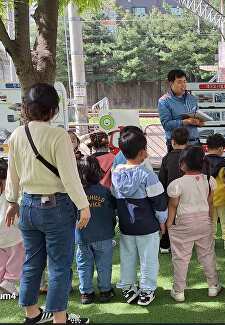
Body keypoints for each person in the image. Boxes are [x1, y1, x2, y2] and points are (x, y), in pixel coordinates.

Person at [4, 83, 91, 324]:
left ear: (26, 108)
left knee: (32, 261)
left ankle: (32, 314)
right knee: (59, 265)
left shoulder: (17, 134)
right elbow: (69, 176)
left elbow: (13, 174)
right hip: (56, 207)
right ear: (53, 110)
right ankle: (59, 319)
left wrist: (12, 201)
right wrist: (83, 205)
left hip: (28, 206)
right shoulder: (58, 135)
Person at [112, 131, 168, 306]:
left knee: (127, 257)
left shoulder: (116, 173)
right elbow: (159, 202)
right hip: (148, 226)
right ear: (143, 152)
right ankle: (147, 289)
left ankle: (128, 287)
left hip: (126, 225)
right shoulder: (147, 175)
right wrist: (162, 220)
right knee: (148, 258)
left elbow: (114, 197)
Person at [167, 146, 222, 302]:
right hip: (204, 221)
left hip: (183, 224)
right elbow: (211, 204)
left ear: (183, 164)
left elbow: (173, 206)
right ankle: (213, 285)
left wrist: (169, 224)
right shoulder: (209, 180)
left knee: (181, 258)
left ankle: (179, 291)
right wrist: (211, 223)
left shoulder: (177, 184)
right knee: (207, 255)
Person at [75, 156, 117, 304]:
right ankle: (105, 291)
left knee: (84, 264)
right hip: (104, 234)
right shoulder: (106, 191)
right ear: (97, 171)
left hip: (82, 236)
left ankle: (86, 293)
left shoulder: (75, 194)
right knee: (104, 264)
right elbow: (113, 209)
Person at [158, 127, 188, 254]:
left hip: (170, 195)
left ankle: (165, 244)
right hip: (188, 194)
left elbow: (161, 180)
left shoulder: (167, 158)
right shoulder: (190, 156)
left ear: (172, 141)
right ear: (187, 142)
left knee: (169, 220)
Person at [158, 69, 204, 152]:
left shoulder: (192, 98)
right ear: (171, 83)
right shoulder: (164, 101)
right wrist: (185, 122)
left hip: (194, 143)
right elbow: (166, 125)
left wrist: (199, 123)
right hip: (177, 146)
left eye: (184, 81)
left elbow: (197, 117)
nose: (183, 85)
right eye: (179, 82)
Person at [203, 134, 225, 251]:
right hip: (223, 197)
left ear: (207, 148)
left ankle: (211, 241)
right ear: (221, 149)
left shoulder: (202, 162)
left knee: (211, 220)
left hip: (207, 197)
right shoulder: (224, 163)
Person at [0, 158, 24, 297]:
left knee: (2, 259)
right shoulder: (10, 192)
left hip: (2, 236)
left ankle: (2, 282)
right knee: (17, 257)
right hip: (12, 233)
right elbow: (16, 214)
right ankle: (9, 282)